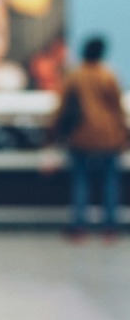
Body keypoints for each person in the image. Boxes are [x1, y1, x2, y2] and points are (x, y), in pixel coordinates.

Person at [53, 35, 127, 239]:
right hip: (109, 136)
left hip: (81, 135)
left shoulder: (75, 75)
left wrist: (54, 130)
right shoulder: (108, 75)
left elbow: (63, 107)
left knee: (80, 180)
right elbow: (118, 108)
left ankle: (79, 225)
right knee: (110, 181)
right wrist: (124, 133)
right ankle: (110, 226)